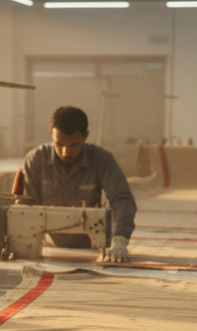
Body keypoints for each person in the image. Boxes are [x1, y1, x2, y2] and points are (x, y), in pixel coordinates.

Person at [21, 106, 137, 263]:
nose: (65, 152)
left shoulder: (101, 159)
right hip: (49, 250)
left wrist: (120, 239)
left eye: (74, 145)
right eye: (59, 144)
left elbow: (122, 200)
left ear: (86, 136)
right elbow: (24, 209)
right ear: (51, 134)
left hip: (91, 249)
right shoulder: (35, 160)